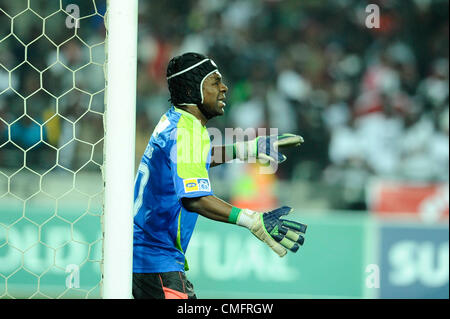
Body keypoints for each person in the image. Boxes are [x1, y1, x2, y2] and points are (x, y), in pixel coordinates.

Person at [132, 52, 307, 299]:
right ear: (194, 91)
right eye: (215, 82)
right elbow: (195, 198)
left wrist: (246, 148)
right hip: (155, 262)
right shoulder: (187, 131)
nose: (224, 88)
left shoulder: (174, 120)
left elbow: (192, 160)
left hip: (146, 258)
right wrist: (252, 220)